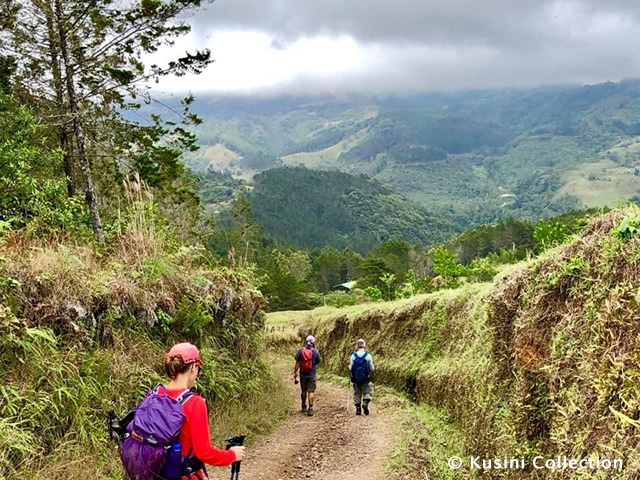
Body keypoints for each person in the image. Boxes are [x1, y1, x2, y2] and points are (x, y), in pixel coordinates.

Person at [164, 342, 245, 479]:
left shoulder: (155, 395)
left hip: (155, 473)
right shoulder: (194, 402)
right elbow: (204, 452)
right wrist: (232, 455)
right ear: (193, 368)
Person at [293, 335, 322, 416]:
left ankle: (303, 405)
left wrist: (295, 373)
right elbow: (318, 361)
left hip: (303, 373)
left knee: (303, 390)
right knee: (311, 391)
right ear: (313, 343)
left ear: (306, 342)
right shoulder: (316, 351)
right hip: (312, 374)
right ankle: (311, 408)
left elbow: (297, 363)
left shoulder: (300, 350)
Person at [349, 338, 374, 416]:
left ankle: (358, 409)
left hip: (355, 379)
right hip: (365, 379)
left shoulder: (353, 356)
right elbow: (372, 368)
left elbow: (350, 367)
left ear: (357, 346)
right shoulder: (368, 356)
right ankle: (365, 403)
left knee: (357, 393)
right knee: (366, 392)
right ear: (364, 346)